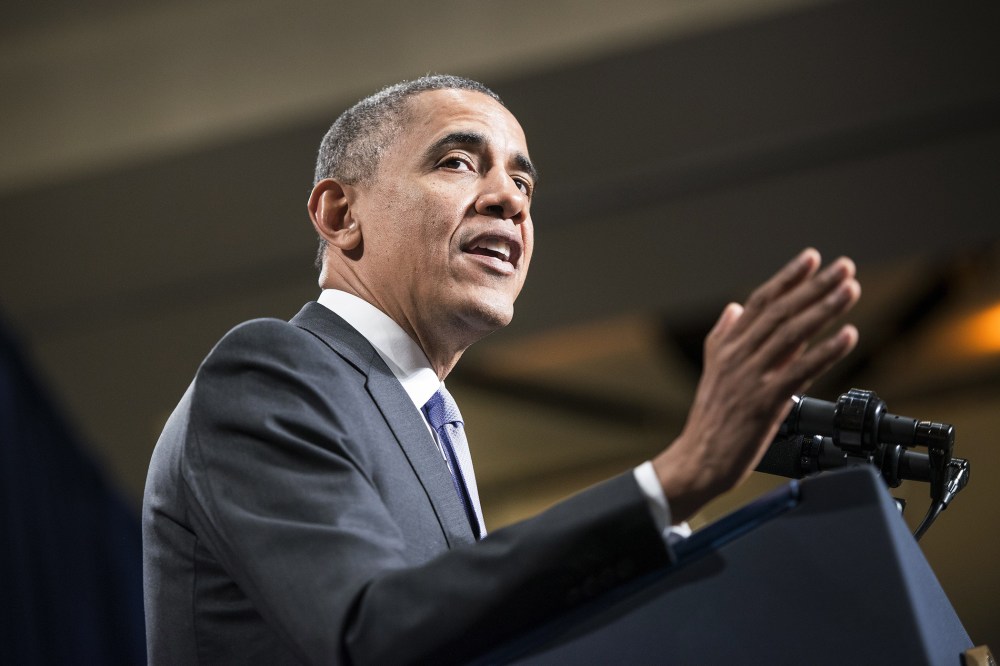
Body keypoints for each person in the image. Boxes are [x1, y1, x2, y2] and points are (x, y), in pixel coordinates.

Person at [142, 74, 861, 665]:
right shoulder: (272, 371)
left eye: (523, 181)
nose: (510, 199)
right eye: (458, 161)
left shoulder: (429, 424)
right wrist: (671, 482)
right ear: (339, 214)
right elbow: (370, 630)